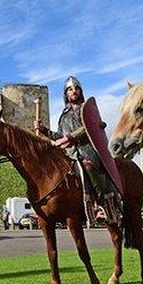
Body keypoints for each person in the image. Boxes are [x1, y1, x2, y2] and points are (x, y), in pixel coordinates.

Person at [34, 76, 122, 224]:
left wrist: (69, 138)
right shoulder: (63, 117)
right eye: (69, 89)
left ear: (80, 91)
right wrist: (44, 131)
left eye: (76, 88)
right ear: (66, 94)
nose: (73, 91)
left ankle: (103, 205)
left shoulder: (85, 109)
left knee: (88, 166)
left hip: (88, 150)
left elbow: (88, 128)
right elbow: (59, 135)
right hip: (70, 154)